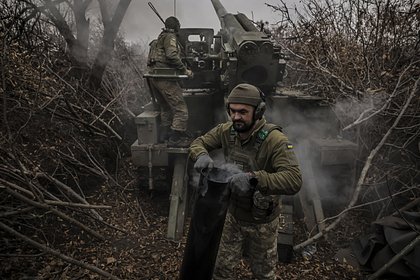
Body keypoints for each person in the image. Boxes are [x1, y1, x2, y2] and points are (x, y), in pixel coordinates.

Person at [189, 83, 302, 280]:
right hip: (232, 216)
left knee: (263, 275)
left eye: (242, 112)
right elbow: (199, 143)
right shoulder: (227, 131)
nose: (236, 117)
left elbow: (294, 179)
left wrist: (254, 178)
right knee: (221, 271)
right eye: (232, 111)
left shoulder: (275, 140)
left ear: (258, 111)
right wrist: (200, 155)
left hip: (262, 223)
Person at [147, 16, 193, 147]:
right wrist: (185, 70)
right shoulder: (170, 37)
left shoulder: (159, 39)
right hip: (165, 78)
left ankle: (165, 134)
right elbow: (171, 55)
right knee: (180, 109)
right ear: (176, 27)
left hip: (154, 79)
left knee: (166, 107)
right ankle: (176, 138)